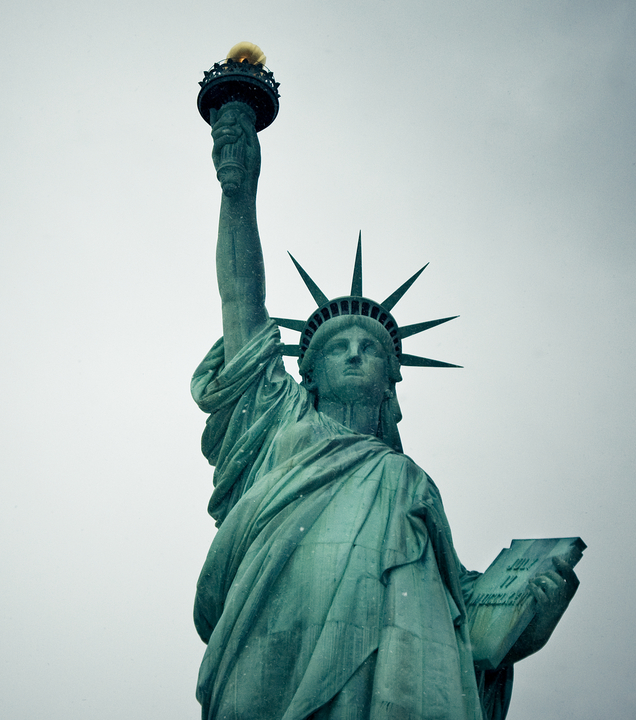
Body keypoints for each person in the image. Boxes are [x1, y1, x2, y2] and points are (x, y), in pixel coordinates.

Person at [191, 103, 579, 720]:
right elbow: (241, 302)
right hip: (273, 637)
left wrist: (529, 614)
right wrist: (239, 190)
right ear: (306, 372)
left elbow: (462, 605)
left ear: (391, 380)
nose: (352, 355)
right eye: (335, 348)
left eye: (367, 348)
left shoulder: (407, 482)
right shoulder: (278, 424)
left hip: (400, 668)